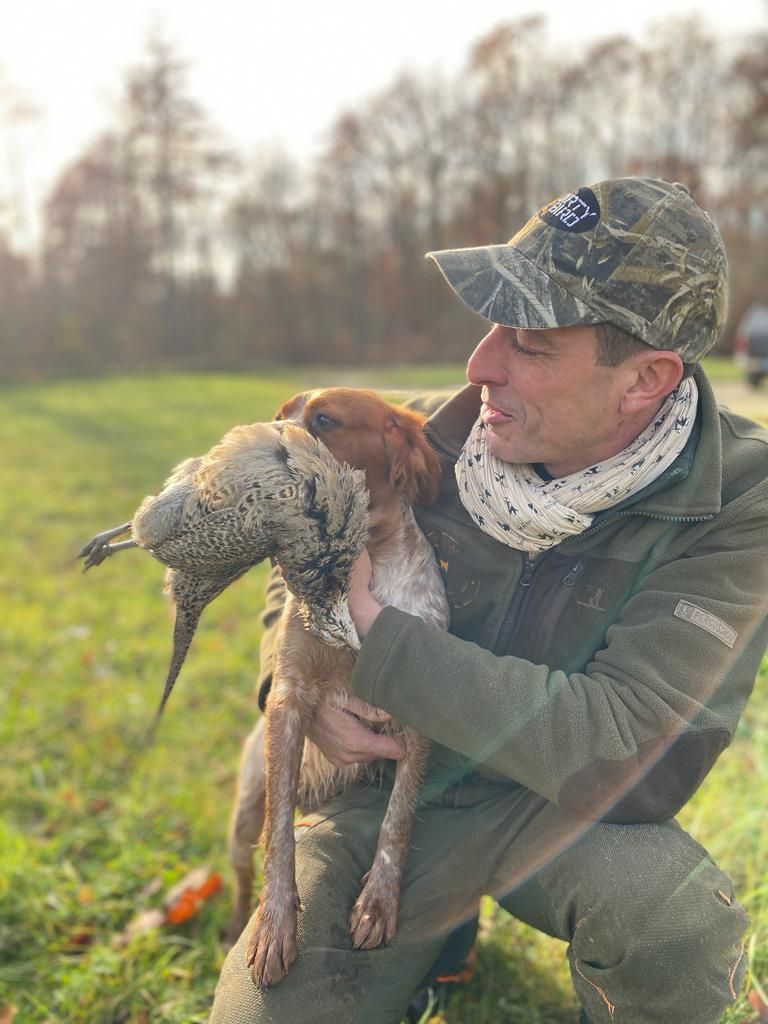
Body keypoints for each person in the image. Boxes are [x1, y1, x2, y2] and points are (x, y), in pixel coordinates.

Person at [210, 177, 768, 1024]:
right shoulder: (420, 441)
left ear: (644, 378)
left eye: (531, 341)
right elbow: (291, 570)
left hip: (557, 813)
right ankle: (433, 937)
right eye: (493, 324)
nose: (480, 366)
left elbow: (636, 758)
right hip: (380, 793)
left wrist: (379, 639)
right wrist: (298, 691)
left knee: (673, 930)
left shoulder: (737, 503)